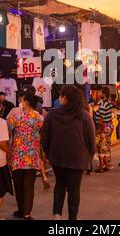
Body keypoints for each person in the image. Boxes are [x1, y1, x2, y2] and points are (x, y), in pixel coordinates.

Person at [41, 85, 95, 220]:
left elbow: (44, 138)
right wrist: (89, 156)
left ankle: (57, 214)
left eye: (61, 96)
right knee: (74, 189)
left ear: (64, 98)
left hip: (57, 157)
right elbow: (91, 139)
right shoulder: (84, 115)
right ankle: (72, 218)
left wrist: (49, 154)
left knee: (60, 184)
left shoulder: (52, 114)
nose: (59, 98)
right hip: (78, 158)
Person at [7, 91, 44, 220]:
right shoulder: (39, 118)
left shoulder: (16, 117)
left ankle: (21, 210)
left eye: (22, 100)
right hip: (32, 156)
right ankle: (27, 214)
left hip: (17, 156)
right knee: (29, 186)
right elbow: (43, 135)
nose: (21, 103)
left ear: (26, 102)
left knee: (18, 186)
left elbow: (9, 134)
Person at [94, 87, 114, 172]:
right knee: (106, 146)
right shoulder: (109, 103)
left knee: (101, 146)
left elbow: (101, 118)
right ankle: (107, 164)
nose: (99, 93)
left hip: (103, 127)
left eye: (101, 92)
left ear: (104, 94)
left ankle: (101, 166)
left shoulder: (103, 104)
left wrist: (97, 128)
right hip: (109, 125)